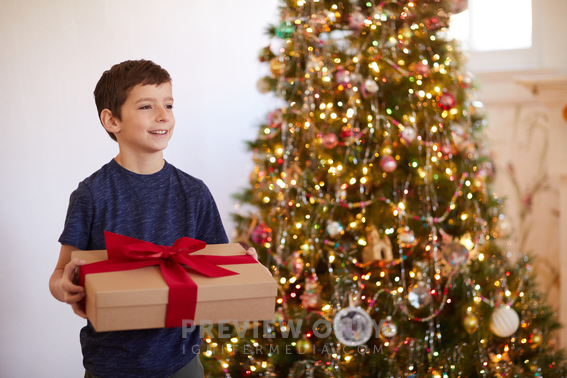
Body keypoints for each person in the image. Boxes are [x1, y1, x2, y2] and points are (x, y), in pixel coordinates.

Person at [49, 59, 258, 378]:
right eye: (147, 106)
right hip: (111, 364)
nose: (163, 116)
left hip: (182, 362)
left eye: (169, 105)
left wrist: (243, 266)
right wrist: (65, 286)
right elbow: (60, 274)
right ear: (112, 120)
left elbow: (217, 263)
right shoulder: (92, 195)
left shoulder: (194, 192)